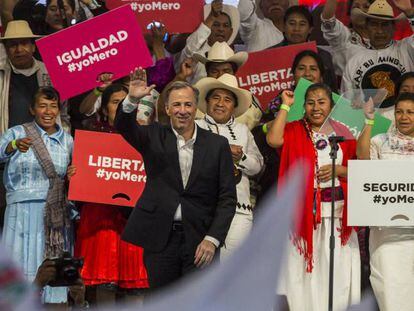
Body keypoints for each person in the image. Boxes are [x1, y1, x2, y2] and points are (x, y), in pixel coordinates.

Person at [115, 68, 237, 289]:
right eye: (177, 105)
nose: (183, 110)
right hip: (161, 239)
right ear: (168, 109)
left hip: (201, 241)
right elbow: (124, 126)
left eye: (188, 105)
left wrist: (213, 239)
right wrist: (131, 99)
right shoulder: (152, 135)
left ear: (196, 108)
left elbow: (227, 198)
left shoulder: (217, 145)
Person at [266, 84, 360, 311]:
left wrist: (339, 170)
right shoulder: (294, 129)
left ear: (331, 105)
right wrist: (286, 106)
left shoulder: (344, 134)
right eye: (310, 102)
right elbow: (273, 140)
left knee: (336, 274)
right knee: (304, 276)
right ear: (304, 106)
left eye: (321, 102)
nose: (315, 107)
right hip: (303, 217)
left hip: (337, 216)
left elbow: (360, 170)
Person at [74, 84, 149, 305]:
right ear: (104, 109)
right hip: (101, 219)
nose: (123, 106)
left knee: (136, 285)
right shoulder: (92, 136)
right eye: (116, 102)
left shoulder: (146, 135)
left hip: (135, 218)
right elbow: (82, 181)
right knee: (105, 282)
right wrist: (75, 174)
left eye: (127, 101)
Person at [0, 86, 74, 304]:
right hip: (20, 213)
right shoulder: (17, 133)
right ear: (32, 109)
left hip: (55, 217)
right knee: (19, 265)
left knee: (51, 267)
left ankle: (53, 304)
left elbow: (78, 176)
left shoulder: (68, 141)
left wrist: (73, 174)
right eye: (42, 106)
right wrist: (13, 146)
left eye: (53, 106)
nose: (48, 111)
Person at [194, 74, 263, 259]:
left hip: (238, 211)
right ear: (207, 102)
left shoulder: (243, 131)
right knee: (201, 268)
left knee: (232, 269)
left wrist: (242, 158)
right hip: (201, 209)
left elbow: (258, 167)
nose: (220, 103)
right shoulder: (194, 127)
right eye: (215, 97)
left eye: (227, 99)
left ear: (234, 106)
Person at [356, 92, 414, 311]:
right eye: (399, 112)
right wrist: (369, 120)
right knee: (390, 288)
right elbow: (362, 159)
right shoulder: (380, 141)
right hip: (386, 234)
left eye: (410, 112)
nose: (404, 117)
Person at [340, 0, 414, 107]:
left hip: (404, 120)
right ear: (366, 27)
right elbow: (346, 103)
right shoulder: (354, 61)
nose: (379, 31)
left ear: (394, 28)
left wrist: (410, 13)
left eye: (385, 25)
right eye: (374, 25)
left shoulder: (407, 48)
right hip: (367, 122)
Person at [271, 5, 337, 91]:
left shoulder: (323, 55)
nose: (296, 29)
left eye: (302, 24)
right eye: (292, 23)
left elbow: (332, 91)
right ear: (283, 27)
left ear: (310, 29)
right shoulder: (270, 55)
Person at [176, 0, 240, 84]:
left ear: (231, 31)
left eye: (225, 26)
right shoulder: (197, 55)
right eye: (216, 25)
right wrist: (211, 17)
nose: (221, 29)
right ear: (208, 28)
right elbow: (189, 51)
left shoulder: (235, 57)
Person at [321, 0, 372, 75]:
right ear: (350, 13)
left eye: (366, 7)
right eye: (356, 7)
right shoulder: (343, 36)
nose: (361, 10)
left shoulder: (381, 40)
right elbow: (327, 19)